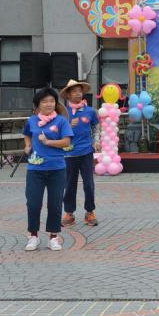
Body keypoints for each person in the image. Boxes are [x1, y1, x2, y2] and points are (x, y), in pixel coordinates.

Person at [22, 88, 73, 251]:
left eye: (52, 101)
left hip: (57, 169)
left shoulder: (61, 121)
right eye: (44, 101)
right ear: (38, 105)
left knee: (55, 204)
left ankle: (53, 237)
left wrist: (48, 142)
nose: (49, 104)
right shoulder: (31, 120)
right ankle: (33, 236)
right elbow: (27, 134)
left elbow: (66, 142)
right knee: (33, 203)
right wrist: (28, 145)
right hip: (35, 169)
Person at [60, 80, 100, 227]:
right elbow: (57, 132)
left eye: (80, 91)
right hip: (69, 154)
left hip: (86, 153)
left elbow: (96, 127)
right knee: (69, 184)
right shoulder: (62, 113)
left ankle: (90, 212)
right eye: (74, 91)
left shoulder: (90, 111)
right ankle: (69, 213)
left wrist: (96, 141)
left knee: (89, 184)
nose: (78, 93)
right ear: (68, 95)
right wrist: (69, 125)